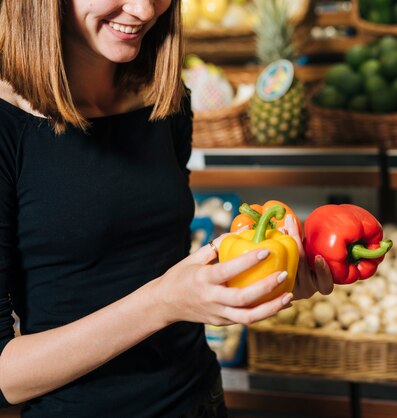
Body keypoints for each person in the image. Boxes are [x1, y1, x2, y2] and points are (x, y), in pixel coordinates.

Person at [0, 1, 334, 417]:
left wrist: (267, 277)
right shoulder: (7, 127)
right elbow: (5, 379)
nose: (143, 10)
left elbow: (159, 263)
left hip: (199, 400)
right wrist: (162, 304)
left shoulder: (165, 100)